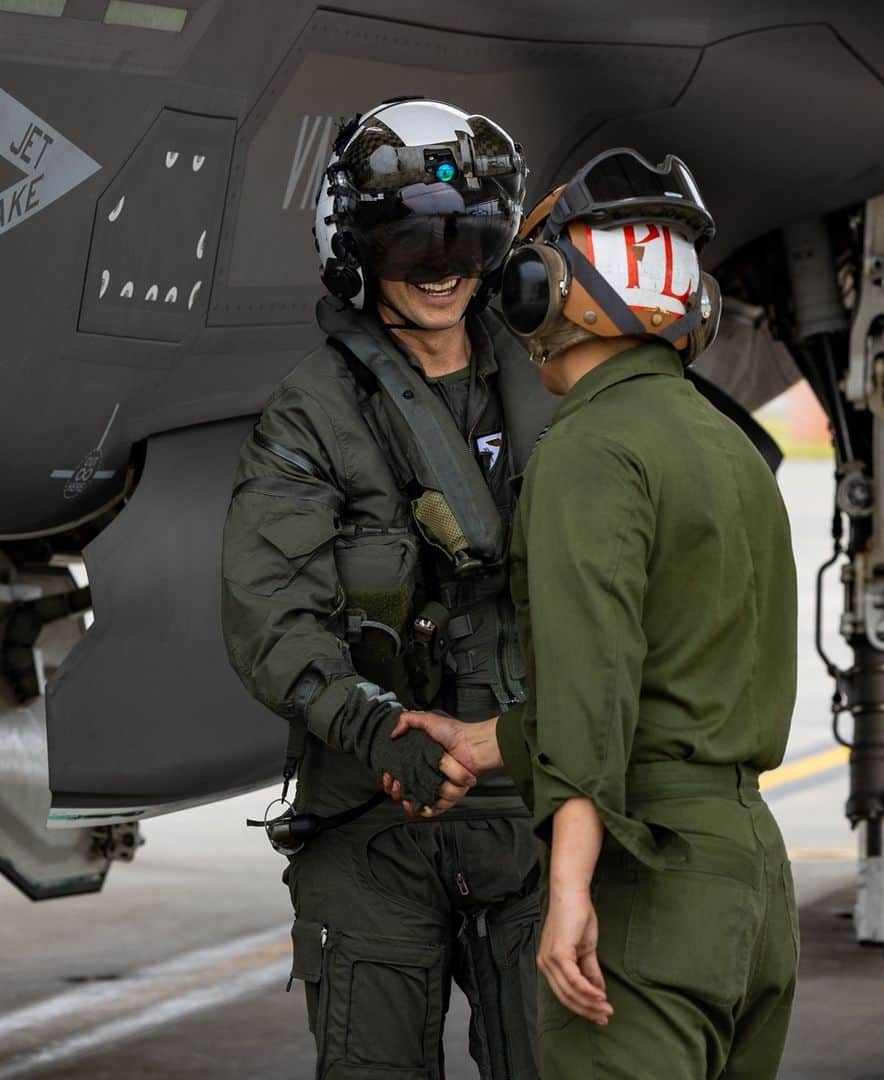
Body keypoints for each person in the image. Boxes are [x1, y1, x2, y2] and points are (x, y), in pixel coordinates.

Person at [391, 148, 800, 1079]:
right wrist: (489, 741)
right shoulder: (732, 450)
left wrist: (571, 886)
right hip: (751, 887)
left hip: (643, 878)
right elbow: (679, 684)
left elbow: (596, 689)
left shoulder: (588, 453)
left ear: (557, 291)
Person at [220, 98, 555, 1080]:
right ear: (359, 249)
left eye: (466, 235)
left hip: (535, 819)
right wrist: (378, 731)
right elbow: (270, 615)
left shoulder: (556, 384)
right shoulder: (314, 413)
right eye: (409, 240)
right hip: (375, 823)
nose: (440, 265)